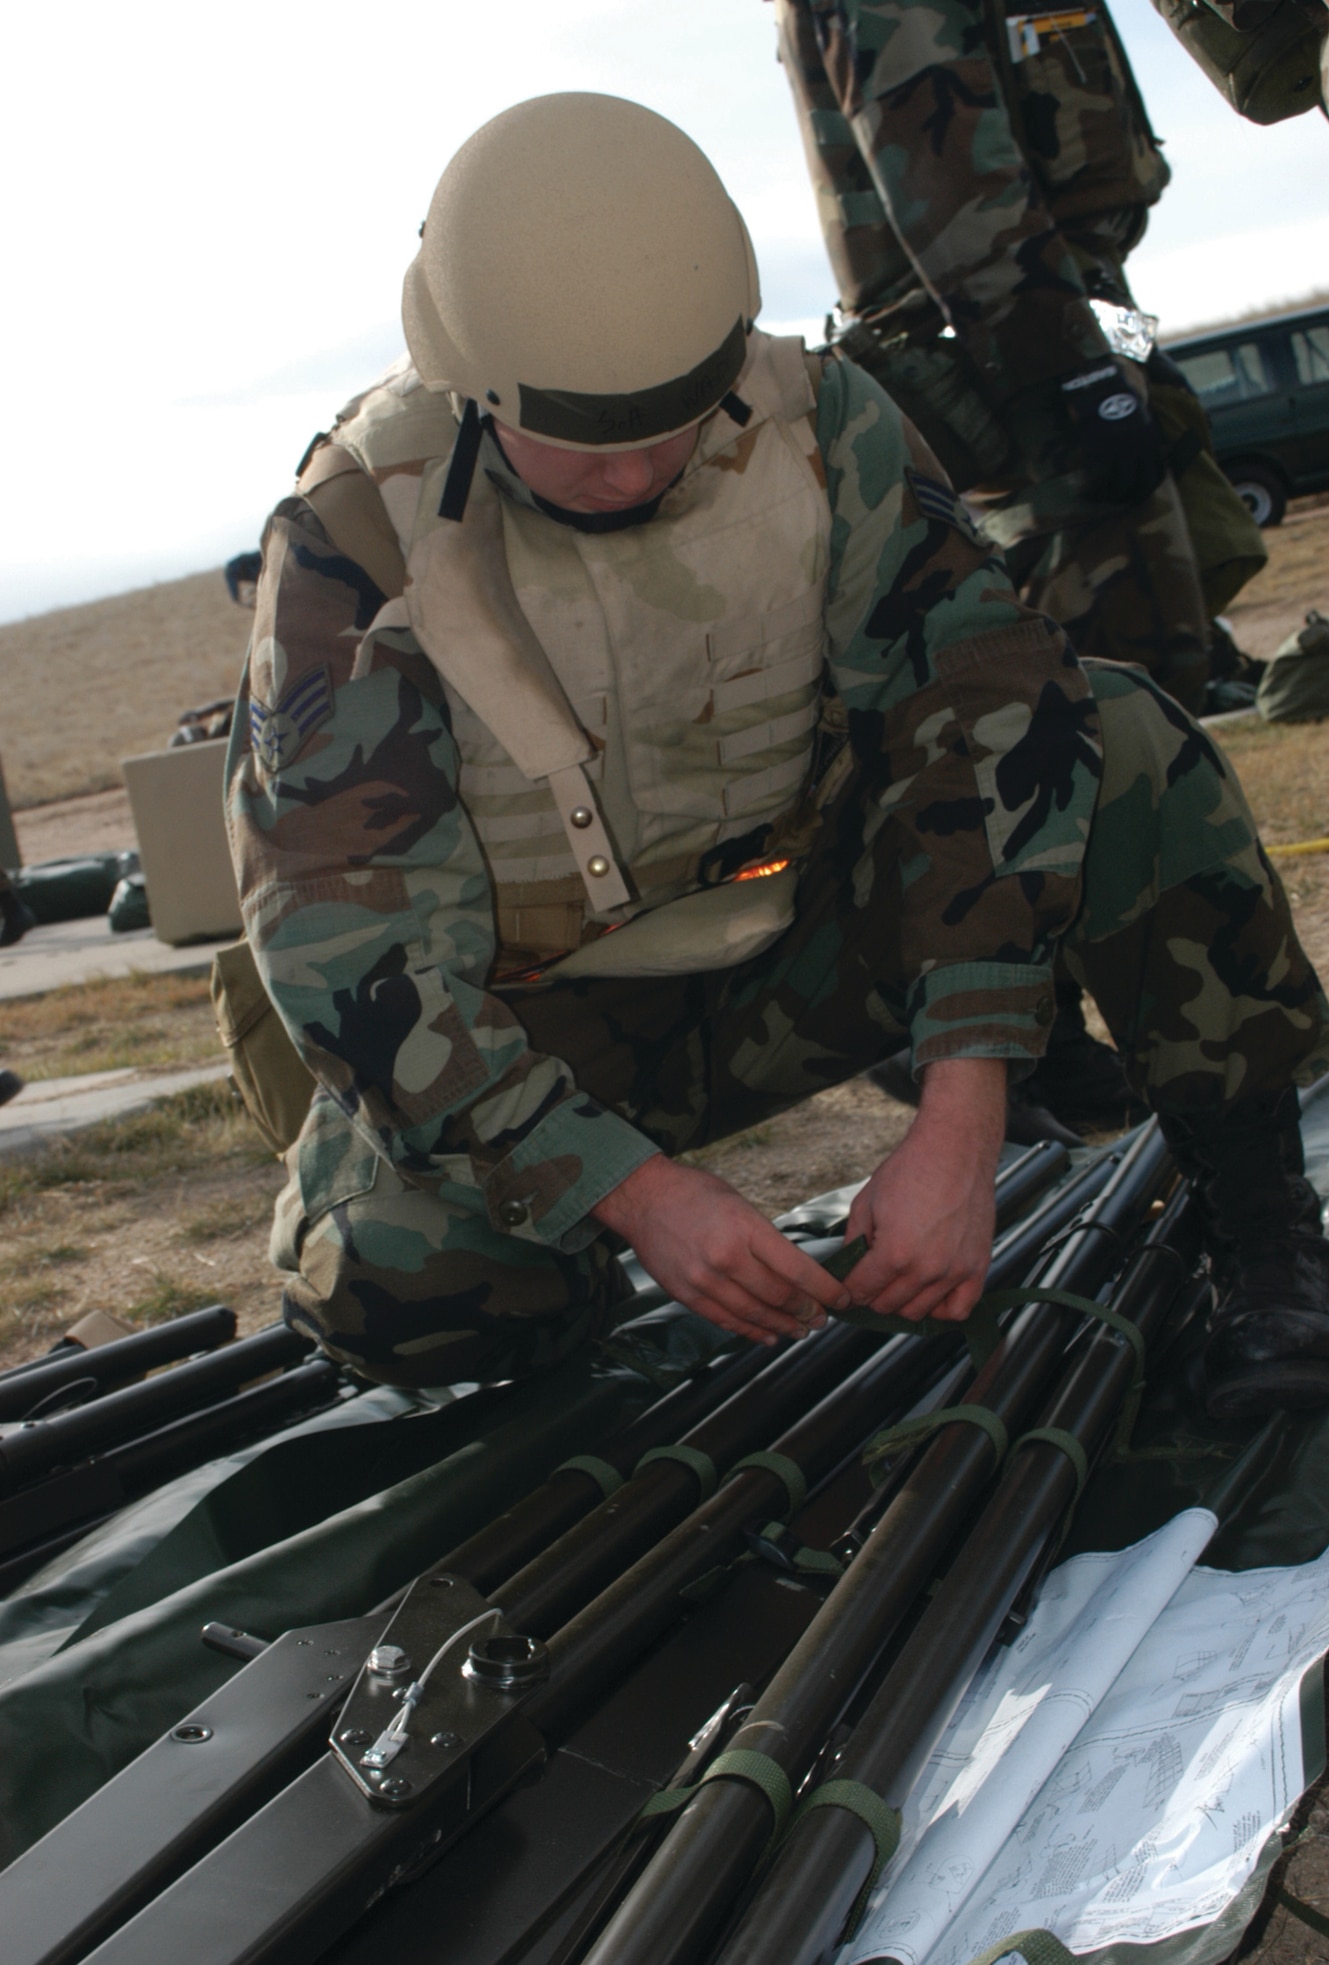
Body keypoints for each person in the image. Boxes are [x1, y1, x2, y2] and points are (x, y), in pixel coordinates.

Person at [227, 92, 1329, 1423]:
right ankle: (572, 1310)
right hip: (550, 1018)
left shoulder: (824, 424)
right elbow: (351, 953)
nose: (633, 476)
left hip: (805, 939)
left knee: (1125, 734)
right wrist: (632, 1198)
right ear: (465, 378)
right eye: (580, 442)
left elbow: (980, 704)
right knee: (395, 1289)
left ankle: (1261, 1217)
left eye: (672, 427)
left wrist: (965, 1097)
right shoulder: (355, 534)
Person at [771, 0, 1268, 1135]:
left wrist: (1109, 354)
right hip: (1009, 352)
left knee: (1152, 672)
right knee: (1087, 712)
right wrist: (1070, 379)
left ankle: (1069, 1037)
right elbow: (953, 188)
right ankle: (1032, 1040)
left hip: (1071, 315)